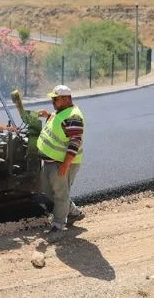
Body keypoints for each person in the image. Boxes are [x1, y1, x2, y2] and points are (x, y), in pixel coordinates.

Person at [36, 84, 86, 233]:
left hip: (61, 163)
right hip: (51, 161)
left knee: (60, 194)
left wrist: (65, 164)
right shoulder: (61, 112)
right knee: (49, 190)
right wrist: (49, 116)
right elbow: (60, 126)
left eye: (55, 99)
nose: (52, 102)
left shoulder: (74, 117)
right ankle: (73, 212)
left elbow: (74, 142)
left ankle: (58, 225)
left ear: (65, 99)